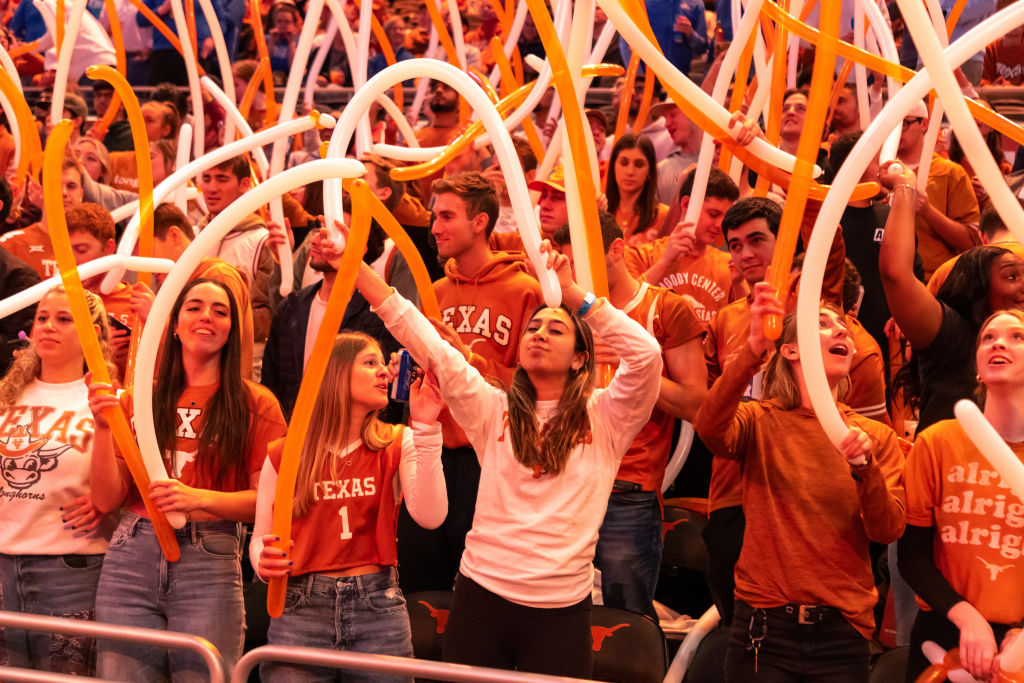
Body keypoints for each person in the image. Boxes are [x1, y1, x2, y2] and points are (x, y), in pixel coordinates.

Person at [336, 232, 663, 677]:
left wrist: (574, 297)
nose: (540, 334)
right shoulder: (491, 407)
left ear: (580, 360)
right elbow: (421, 337)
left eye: (556, 328)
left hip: (560, 612)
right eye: (534, 327)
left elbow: (646, 355)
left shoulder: (607, 416)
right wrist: (354, 268)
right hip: (481, 598)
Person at [695, 283, 906, 681]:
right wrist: (753, 348)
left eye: (842, 327)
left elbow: (889, 529)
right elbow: (708, 428)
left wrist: (866, 469)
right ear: (790, 349)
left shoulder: (875, 438)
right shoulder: (760, 420)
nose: (841, 331)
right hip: (765, 627)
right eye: (823, 325)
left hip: (843, 633)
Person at [87, 278, 287, 681]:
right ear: (173, 323)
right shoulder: (139, 397)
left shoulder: (256, 403)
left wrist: (198, 498)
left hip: (208, 556)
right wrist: (104, 430)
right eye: (194, 307)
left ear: (232, 330)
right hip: (131, 553)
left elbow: (269, 505)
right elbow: (108, 500)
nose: (206, 317)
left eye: (220, 310)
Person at [252, 332, 448, 682]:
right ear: (333, 373)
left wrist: (427, 427)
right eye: (369, 362)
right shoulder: (285, 452)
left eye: (380, 364)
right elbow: (259, 540)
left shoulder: (397, 441)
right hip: (300, 606)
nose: (384, 373)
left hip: (378, 605)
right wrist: (262, 561)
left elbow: (431, 517)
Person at [552, 212, 707, 618]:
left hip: (628, 489)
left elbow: (696, 405)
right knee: (557, 613)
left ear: (617, 250)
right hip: (564, 482)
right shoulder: (562, 314)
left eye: (580, 266)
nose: (574, 280)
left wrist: (636, 364)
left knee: (626, 620)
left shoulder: (664, 308)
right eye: (567, 270)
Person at [899, 309, 1024, 682]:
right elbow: (912, 555)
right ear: (976, 366)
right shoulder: (938, 442)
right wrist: (967, 616)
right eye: (988, 337)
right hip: (944, 630)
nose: (998, 342)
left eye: (1017, 336)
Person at [0, 286, 116, 675]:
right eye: (42, 318)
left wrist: (106, 507)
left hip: (69, 567)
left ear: (92, 334)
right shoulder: (8, 395)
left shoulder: (107, 400)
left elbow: (124, 489)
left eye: (64, 319)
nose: (48, 326)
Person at [879, 164, 1024, 434]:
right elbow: (895, 273)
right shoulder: (949, 332)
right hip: (943, 472)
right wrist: (905, 188)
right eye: (1012, 276)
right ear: (981, 282)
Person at [606, 134, 669, 245]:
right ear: (613, 166)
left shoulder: (663, 216)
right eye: (624, 163)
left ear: (649, 171)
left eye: (639, 165)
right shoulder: (601, 213)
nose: (630, 172)